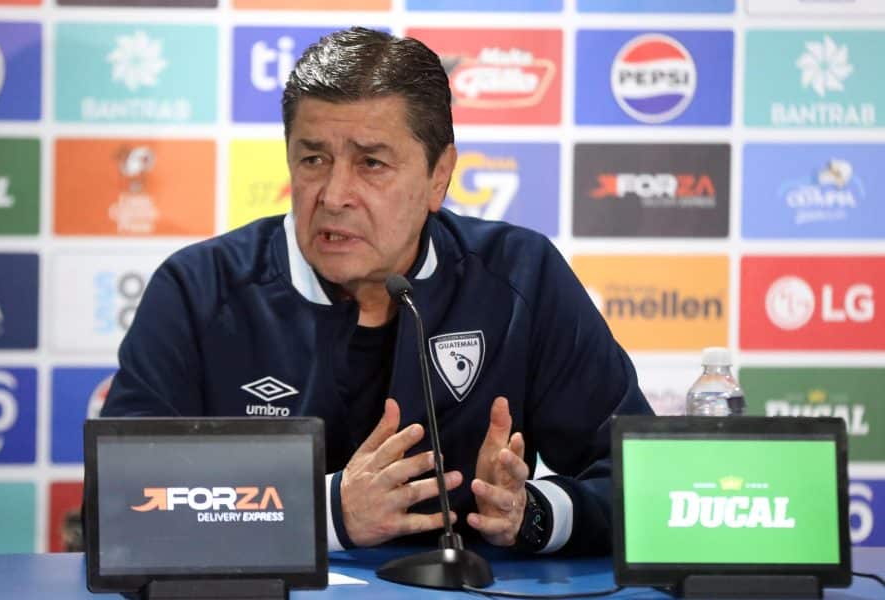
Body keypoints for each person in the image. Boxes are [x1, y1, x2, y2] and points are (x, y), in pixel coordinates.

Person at [101, 26, 652, 556]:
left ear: (440, 176)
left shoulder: (519, 278)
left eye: (371, 163)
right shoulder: (199, 292)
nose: (335, 194)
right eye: (313, 159)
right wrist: (326, 513)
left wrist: (533, 513)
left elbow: (647, 484)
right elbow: (121, 508)